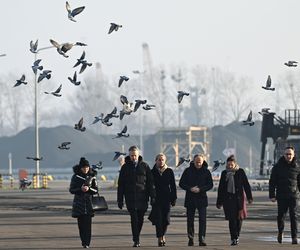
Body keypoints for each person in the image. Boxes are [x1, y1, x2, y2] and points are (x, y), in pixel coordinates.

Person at [117, 146, 156, 247]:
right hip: (130, 198)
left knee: (141, 219)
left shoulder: (145, 166)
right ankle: (136, 239)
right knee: (134, 219)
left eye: (135, 155)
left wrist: (153, 197)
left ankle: (136, 236)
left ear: (138, 155)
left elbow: (150, 183)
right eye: (131, 156)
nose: (133, 157)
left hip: (143, 197)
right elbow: (121, 185)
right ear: (129, 155)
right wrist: (120, 200)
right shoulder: (125, 167)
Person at [216, 155, 253, 246]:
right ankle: (233, 238)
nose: (230, 166)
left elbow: (246, 185)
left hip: (239, 199)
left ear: (235, 164)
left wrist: (249, 197)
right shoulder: (224, 173)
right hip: (228, 200)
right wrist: (219, 201)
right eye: (228, 164)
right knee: (232, 220)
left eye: (231, 164)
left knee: (239, 219)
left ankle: (237, 236)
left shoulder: (240, 172)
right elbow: (221, 188)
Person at [179, 154, 213, 246]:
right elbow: (181, 183)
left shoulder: (206, 172)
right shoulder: (187, 171)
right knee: (190, 220)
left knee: (202, 220)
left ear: (203, 162)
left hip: (202, 198)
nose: (198, 163)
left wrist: (200, 189)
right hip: (190, 198)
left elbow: (210, 185)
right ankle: (191, 238)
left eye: (200, 162)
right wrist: (190, 188)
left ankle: (202, 239)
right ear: (193, 161)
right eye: (197, 162)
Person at [269, 146, 300, 244]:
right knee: (281, 216)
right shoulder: (277, 167)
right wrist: (272, 195)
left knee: (294, 216)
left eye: (290, 154)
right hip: (281, 196)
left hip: (294, 195)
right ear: (284, 155)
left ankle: (294, 237)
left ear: (293, 155)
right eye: (287, 154)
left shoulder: (297, 167)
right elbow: (272, 182)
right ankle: (280, 232)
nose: (289, 156)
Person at [149, 153, 177, 247]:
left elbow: (173, 186)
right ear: (155, 161)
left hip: (166, 198)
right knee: (158, 220)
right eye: (159, 160)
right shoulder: (152, 172)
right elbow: (149, 186)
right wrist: (150, 197)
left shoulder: (169, 171)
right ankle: (160, 238)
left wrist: (174, 198)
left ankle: (163, 235)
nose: (161, 161)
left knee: (166, 220)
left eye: (162, 160)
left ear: (165, 161)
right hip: (156, 199)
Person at [69, 157, 98, 249]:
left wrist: (89, 189)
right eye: (84, 167)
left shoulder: (92, 177)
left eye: (87, 167)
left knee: (88, 226)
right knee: (81, 226)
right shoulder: (76, 177)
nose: (86, 169)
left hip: (89, 204)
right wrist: (80, 189)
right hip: (79, 204)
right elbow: (71, 190)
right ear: (80, 168)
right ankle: (83, 241)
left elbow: (96, 190)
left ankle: (87, 243)